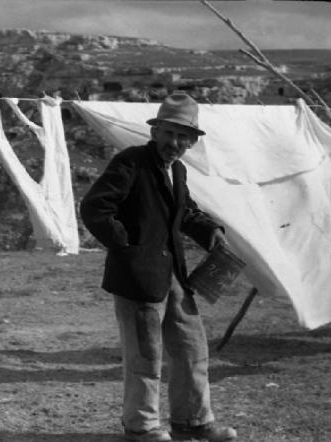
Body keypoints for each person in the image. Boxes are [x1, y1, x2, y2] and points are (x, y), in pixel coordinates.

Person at [79, 93, 237, 442]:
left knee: (192, 349)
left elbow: (185, 211)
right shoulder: (131, 162)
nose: (174, 142)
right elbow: (95, 207)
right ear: (155, 131)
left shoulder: (177, 170)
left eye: (183, 136)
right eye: (169, 133)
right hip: (138, 278)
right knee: (145, 357)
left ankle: (193, 422)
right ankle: (142, 428)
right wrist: (126, 248)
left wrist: (210, 231)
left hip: (173, 276)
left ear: (192, 141)